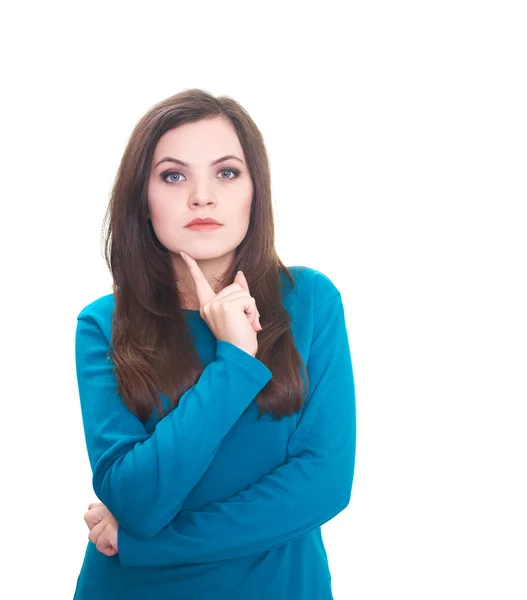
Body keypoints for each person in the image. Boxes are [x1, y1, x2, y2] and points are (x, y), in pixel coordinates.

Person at [73, 88, 356, 600]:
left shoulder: (310, 301)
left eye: (226, 172)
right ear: (144, 197)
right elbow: (137, 501)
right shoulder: (103, 324)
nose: (201, 196)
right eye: (173, 175)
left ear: (255, 190)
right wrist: (232, 363)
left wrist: (146, 545)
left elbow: (323, 483)